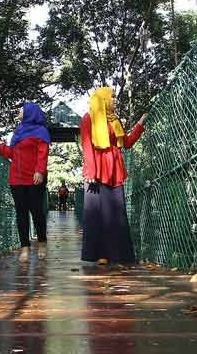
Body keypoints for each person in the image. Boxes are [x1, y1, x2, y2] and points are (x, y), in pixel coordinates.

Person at [80, 87, 146, 265]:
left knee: (116, 213)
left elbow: (127, 143)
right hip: (96, 171)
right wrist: (91, 171)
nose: (116, 100)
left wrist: (139, 126)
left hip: (114, 169)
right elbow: (87, 145)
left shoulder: (115, 120)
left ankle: (119, 254)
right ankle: (98, 254)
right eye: (113, 97)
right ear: (103, 99)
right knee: (95, 215)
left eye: (116, 97)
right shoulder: (88, 118)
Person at [0, 102, 50, 263]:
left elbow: (43, 153)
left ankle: (42, 243)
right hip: (16, 178)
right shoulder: (18, 131)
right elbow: (12, 153)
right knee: (21, 213)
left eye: (22, 109)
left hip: (34, 177)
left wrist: (39, 170)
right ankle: (24, 248)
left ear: (30, 112)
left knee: (36, 211)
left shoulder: (41, 132)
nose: (19, 111)